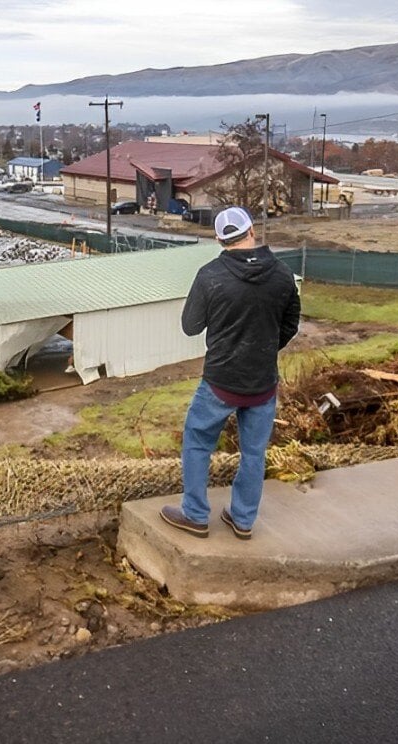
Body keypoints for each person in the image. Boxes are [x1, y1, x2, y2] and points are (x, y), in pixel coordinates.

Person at [160, 206, 300, 540]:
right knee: (254, 453)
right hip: (263, 382)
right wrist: (263, 349)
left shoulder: (210, 275)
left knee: (197, 442)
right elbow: (290, 325)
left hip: (220, 381)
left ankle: (195, 515)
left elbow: (190, 326)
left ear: (220, 239)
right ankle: (243, 519)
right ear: (252, 231)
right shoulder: (282, 274)